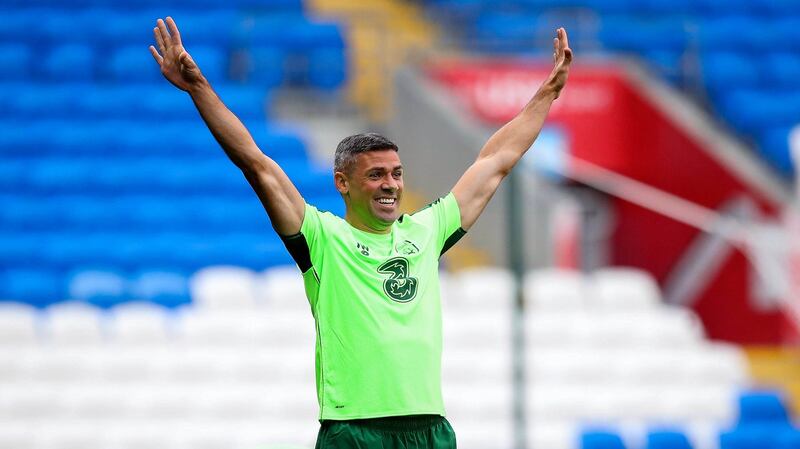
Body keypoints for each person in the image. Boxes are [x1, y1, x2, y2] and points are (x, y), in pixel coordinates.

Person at [149, 16, 572, 449]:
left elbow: (495, 160)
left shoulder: (427, 231)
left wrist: (547, 93)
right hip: (354, 430)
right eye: (376, 175)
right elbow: (256, 164)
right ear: (342, 182)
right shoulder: (321, 238)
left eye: (396, 173)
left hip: (429, 429)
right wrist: (199, 87)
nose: (391, 185)